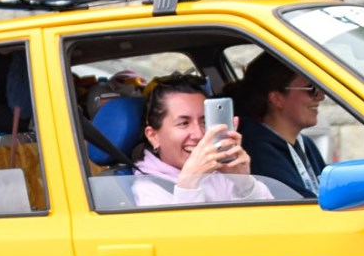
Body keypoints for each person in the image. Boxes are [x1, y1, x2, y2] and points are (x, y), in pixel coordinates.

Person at [132, 72, 268, 207]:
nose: (198, 134)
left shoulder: (220, 171)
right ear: (153, 136)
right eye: (183, 123)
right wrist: (189, 184)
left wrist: (245, 184)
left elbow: (269, 218)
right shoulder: (147, 189)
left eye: (204, 122)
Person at [235, 54, 328, 199]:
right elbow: (296, 203)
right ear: (277, 98)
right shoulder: (257, 151)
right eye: (312, 88)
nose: (321, 96)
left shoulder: (306, 144)